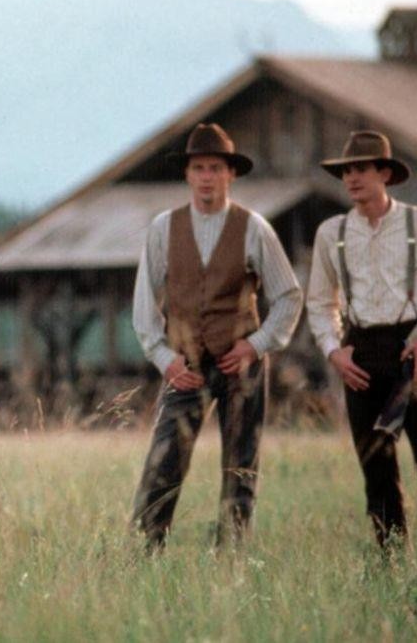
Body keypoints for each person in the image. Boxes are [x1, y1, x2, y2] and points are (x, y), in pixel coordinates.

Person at [130, 123, 302, 549]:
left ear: (231, 175)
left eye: (215, 168)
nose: (207, 176)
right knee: (162, 465)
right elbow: (143, 305)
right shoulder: (163, 229)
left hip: (239, 364)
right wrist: (164, 358)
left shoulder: (254, 228)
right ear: (187, 175)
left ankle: (232, 559)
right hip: (184, 366)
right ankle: (143, 556)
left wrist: (256, 345)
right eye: (199, 168)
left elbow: (288, 296)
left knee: (240, 468)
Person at [306, 130, 417, 552]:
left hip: (411, 345)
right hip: (359, 351)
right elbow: (320, 302)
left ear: (385, 173)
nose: (352, 178)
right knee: (375, 466)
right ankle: (390, 559)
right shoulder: (331, 233)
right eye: (346, 171)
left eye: (361, 169)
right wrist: (333, 351)